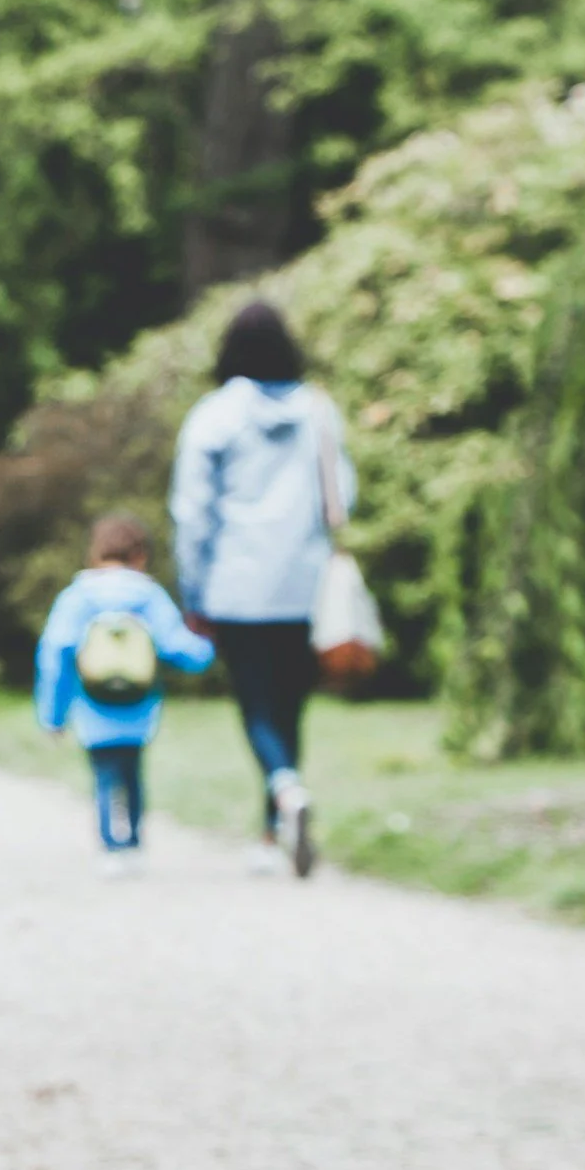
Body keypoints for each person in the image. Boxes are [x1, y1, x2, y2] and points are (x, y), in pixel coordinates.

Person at [168, 300, 355, 878]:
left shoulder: (213, 417)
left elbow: (192, 513)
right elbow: (342, 499)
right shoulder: (321, 412)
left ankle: (283, 792)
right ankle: (275, 828)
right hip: (304, 584)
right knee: (290, 705)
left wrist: (192, 592)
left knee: (256, 705)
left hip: (236, 585)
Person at [35, 513, 216, 877]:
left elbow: (55, 654)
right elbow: (179, 647)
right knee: (133, 775)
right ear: (140, 555)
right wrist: (209, 647)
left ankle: (110, 848)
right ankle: (133, 842)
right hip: (138, 709)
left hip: (92, 708)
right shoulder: (148, 596)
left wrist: (52, 715)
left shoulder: (78, 597)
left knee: (104, 777)